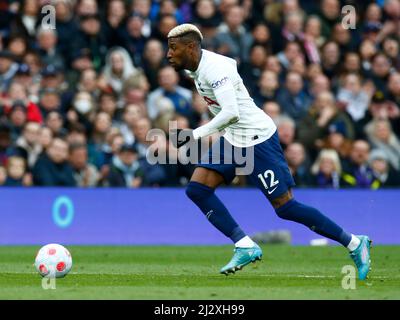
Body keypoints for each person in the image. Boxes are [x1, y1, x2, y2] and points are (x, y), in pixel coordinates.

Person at [166, 24, 371, 279]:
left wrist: (193, 135)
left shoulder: (214, 69)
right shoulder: (202, 67)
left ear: (191, 47)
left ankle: (354, 242)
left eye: (173, 48)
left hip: (257, 138)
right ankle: (244, 245)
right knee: (197, 189)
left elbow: (232, 112)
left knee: (286, 207)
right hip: (234, 138)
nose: (168, 54)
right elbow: (231, 64)